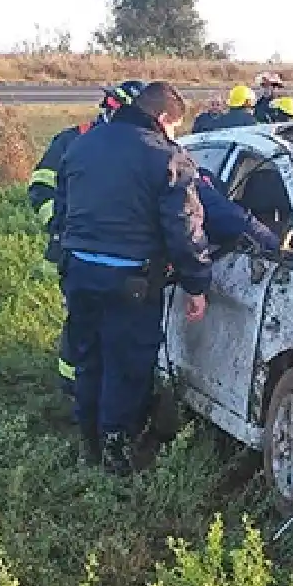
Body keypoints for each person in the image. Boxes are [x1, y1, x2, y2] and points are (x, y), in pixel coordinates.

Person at [51, 81, 211, 475]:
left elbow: (63, 208)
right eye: (174, 125)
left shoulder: (83, 143)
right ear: (161, 118)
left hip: (79, 272)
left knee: (89, 357)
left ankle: (87, 439)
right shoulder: (165, 157)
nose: (174, 133)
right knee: (128, 365)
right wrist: (196, 284)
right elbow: (183, 228)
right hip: (130, 281)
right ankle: (116, 452)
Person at [27, 80, 147, 396]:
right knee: (81, 322)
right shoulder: (73, 140)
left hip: (110, 251)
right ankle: (73, 385)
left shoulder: (135, 145)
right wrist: (60, 224)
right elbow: (40, 185)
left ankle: (97, 388)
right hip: (73, 250)